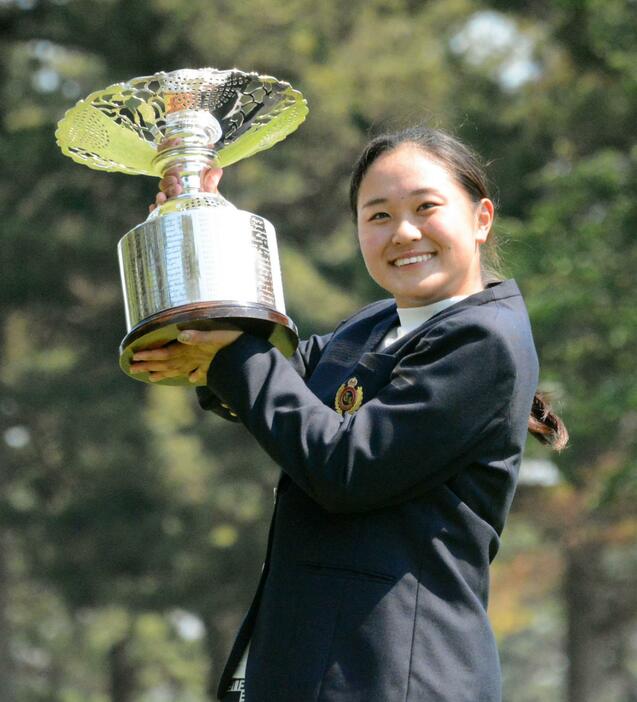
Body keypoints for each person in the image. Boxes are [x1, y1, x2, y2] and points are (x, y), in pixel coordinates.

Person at [130, 125, 568, 702]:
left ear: (481, 218)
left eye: (425, 207)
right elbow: (276, 374)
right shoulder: (374, 324)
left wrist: (233, 358)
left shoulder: (485, 341)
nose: (403, 232)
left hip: (398, 678)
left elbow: (345, 468)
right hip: (319, 670)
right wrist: (198, 225)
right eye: (378, 215)